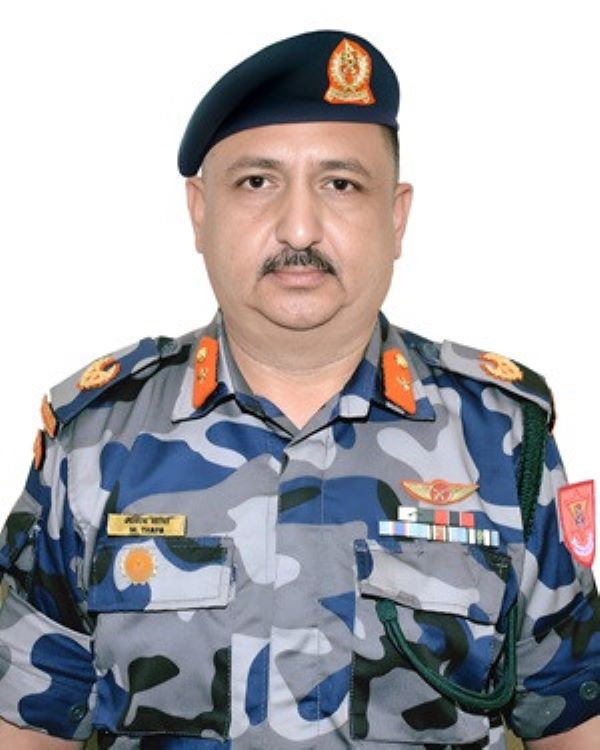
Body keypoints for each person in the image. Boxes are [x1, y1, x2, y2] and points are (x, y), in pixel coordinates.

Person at [0, 29, 598, 750]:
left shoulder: (500, 440)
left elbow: (574, 718)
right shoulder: (95, 443)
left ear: (397, 217)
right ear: (199, 212)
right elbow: (26, 720)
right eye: (258, 182)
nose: (300, 227)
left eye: (340, 184)